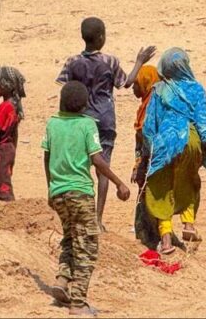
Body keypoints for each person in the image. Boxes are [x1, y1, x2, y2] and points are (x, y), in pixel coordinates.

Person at [43, 81, 130, 315]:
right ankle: (78, 303)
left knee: (70, 237)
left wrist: (51, 187)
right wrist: (119, 183)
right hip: (80, 193)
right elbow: (98, 159)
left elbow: (46, 157)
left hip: (58, 192)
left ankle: (62, 280)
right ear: (84, 106)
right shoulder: (87, 125)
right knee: (87, 247)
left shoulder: (52, 124)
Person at [56, 18, 151, 231]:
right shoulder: (110, 61)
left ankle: (80, 215)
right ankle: (98, 220)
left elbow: (65, 88)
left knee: (80, 167)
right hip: (105, 119)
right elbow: (125, 83)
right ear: (101, 38)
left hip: (80, 120)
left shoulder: (72, 62)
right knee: (103, 168)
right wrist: (139, 62)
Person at [142, 48, 206, 255]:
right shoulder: (197, 89)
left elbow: (149, 128)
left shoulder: (159, 90)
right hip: (193, 141)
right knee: (189, 180)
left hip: (167, 142)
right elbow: (204, 125)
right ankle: (188, 225)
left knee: (161, 187)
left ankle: (166, 240)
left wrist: (147, 158)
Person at [126, 53, 163, 250]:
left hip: (151, 161)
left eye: (136, 84)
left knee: (148, 201)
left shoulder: (150, 109)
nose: (133, 87)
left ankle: (150, 242)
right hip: (149, 160)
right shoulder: (148, 105)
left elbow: (146, 143)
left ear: (146, 83)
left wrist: (140, 167)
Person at [0, 66, 26, 201]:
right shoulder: (14, 105)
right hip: (7, 151)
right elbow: (15, 135)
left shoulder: (5, 107)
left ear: (5, 86)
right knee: (2, 181)